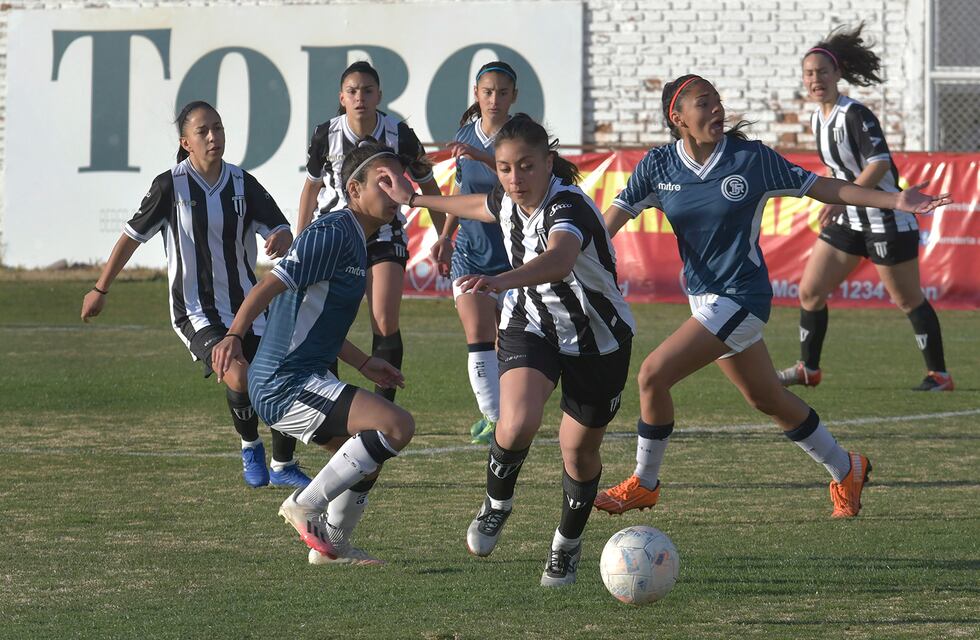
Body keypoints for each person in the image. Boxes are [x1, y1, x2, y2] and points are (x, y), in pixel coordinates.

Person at [594, 75, 950, 520]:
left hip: (742, 298)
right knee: (767, 399)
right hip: (703, 301)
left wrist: (896, 201)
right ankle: (847, 468)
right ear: (678, 117)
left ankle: (644, 483)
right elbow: (608, 223)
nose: (718, 110)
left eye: (719, 101)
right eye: (705, 104)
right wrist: (571, 257)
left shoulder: (751, 159)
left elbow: (823, 186)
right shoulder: (657, 166)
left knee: (652, 375)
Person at [378, 115, 636, 587]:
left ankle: (566, 545)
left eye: (526, 166)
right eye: (504, 168)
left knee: (577, 454)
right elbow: (480, 203)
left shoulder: (568, 207)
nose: (515, 179)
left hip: (597, 341)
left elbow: (559, 260)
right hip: (530, 324)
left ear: (548, 163)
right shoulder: (507, 196)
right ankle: (496, 505)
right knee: (515, 422)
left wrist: (500, 280)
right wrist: (413, 198)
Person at [80, 101, 310, 489]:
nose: (213, 137)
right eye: (203, 131)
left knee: (282, 374)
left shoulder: (241, 183)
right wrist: (100, 288)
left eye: (218, 128)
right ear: (186, 142)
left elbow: (280, 228)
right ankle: (250, 445)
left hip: (248, 306)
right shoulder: (170, 185)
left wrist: (280, 236)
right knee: (239, 375)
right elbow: (130, 238)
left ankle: (283, 464)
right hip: (195, 311)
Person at [212, 142, 417, 565]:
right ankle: (304, 505)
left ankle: (332, 548)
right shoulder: (332, 232)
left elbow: (317, 319)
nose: (396, 189)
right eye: (385, 180)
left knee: (367, 459)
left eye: (400, 180)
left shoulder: (358, 240)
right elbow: (271, 284)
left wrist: (364, 361)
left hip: (303, 377)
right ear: (354, 189)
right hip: (283, 381)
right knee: (397, 426)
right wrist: (234, 333)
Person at [776, 24, 953, 392]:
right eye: (809, 74)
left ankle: (939, 375)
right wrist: (840, 197)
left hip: (886, 216)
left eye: (822, 72)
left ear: (837, 74)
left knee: (906, 299)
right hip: (849, 218)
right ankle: (809, 368)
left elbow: (879, 163)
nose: (815, 79)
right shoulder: (817, 118)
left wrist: (844, 196)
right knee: (810, 291)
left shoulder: (854, 114)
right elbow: (841, 168)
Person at [297, 61, 444, 403]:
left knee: (383, 319)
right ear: (342, 97)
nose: (359, 97)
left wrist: (445, 237)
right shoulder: (326, 134)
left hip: (384, 232)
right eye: (352, 91)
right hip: (335, 234)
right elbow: (310, 190)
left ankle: (382, 411)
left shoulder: (399, 134)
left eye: (367, 90)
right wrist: (301, 240)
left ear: (379, 95)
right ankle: (327, 402)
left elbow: (428, 184)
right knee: (325, 319)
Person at [432, 61, 518, 444]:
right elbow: (460, 191)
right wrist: (447, 236)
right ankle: (494, 416)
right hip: (470, 252)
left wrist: (484, 158)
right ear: (476, 94)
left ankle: (506, 411)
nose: (494, 99)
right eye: (488, 91)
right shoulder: (465, 134)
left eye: (502, 92)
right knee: (477, 328)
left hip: (517, 259)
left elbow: (521, 178)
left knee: (510, 342)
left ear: (513, 96)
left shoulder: (520, 135)